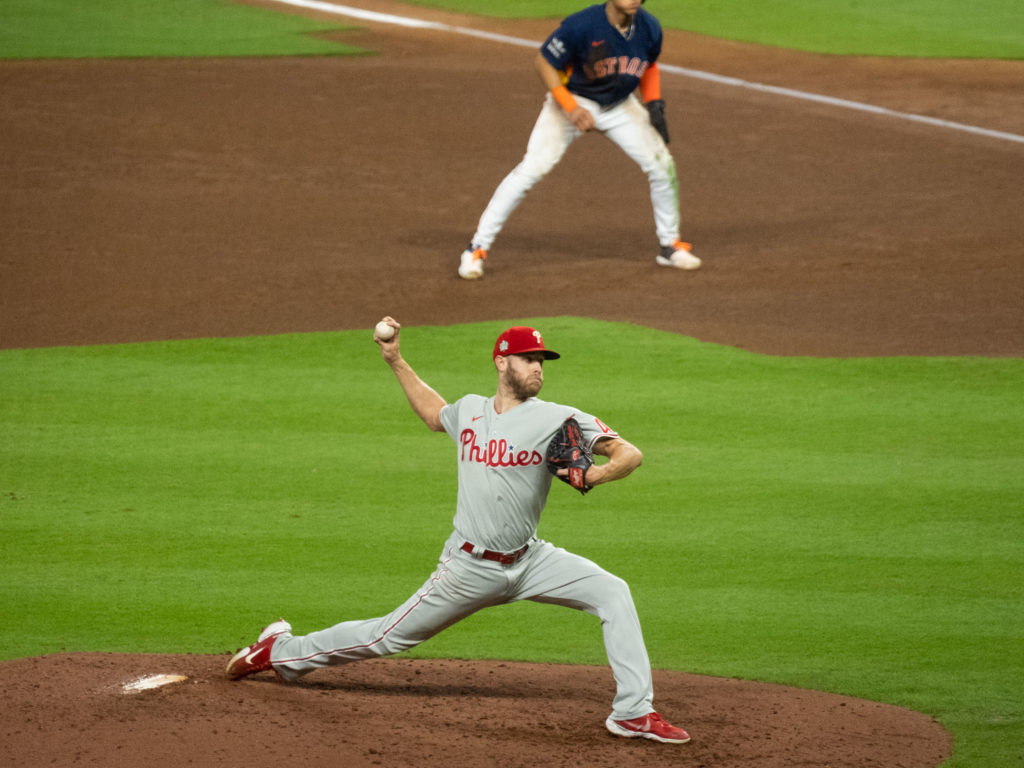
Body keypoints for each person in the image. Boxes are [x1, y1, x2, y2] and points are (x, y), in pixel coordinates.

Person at [225, 318, 691, 745]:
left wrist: (595, 476)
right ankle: (280, 651)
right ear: (502, 362)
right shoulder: (469, 412)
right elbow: (435, 413)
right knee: (384, 638)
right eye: (530, 359)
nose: (538, 369)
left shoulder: (558, 418)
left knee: (613, 593)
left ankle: (632, 712)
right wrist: (395, 360)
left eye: (542, 361)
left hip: (532, 561)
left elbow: (628, 453)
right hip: (468, 568)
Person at [457, 0, 700, 280]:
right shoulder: (581, 25)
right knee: (533, 168)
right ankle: (476, 248)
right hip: (572, 100)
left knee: (662, 166)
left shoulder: (649, 27)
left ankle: (669, 246)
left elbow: (649, 66)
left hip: (619, 105)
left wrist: (654, 102)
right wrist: (570, 107)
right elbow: (544, 62)